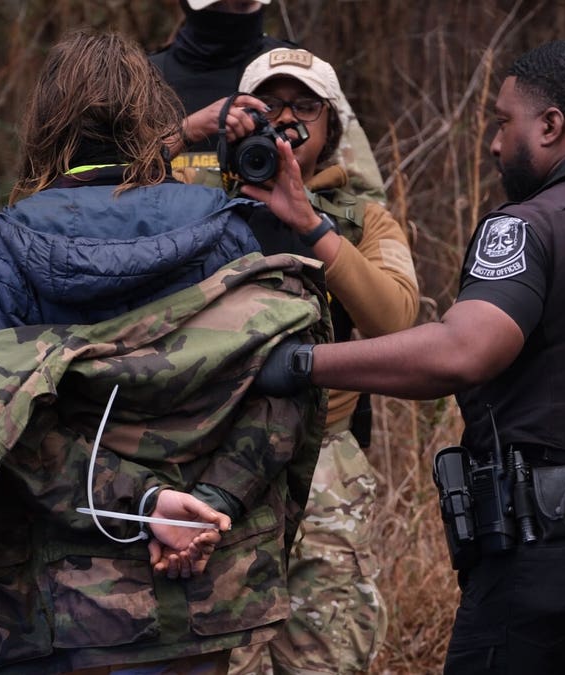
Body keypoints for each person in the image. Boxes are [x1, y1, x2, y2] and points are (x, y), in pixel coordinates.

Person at [252, 40, 565, 674]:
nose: (495, 145)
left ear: (549, 126)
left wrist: (301, 364)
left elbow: (462, 352)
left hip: (547, 562)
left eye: (502, 123)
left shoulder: (527, 226)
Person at [0, 30, 331, 674]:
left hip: (68, 601)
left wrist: (143, 508)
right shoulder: (224, 231)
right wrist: (207, 511)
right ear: (153, 119)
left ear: (44, 125)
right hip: (200, 591)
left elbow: (10, 428)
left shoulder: (11, 253)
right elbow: (279, 390)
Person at [220, 48, 419, 675]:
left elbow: (396, 319)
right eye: (267, 106)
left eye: (305, 107)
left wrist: (310, 224)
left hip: (324, 451)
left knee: (327, 650)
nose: (286, 122)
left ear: (331, 127)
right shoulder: (196, 208)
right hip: (214, 450)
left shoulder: (362, 220)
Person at [149, 0, 386, 201]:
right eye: (219, 6)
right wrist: (188, 131)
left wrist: (318, 227)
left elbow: (366, 195)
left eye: (243, 5)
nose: (231, 18)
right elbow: (118, 179)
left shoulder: (297, 72)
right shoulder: (144, 81)